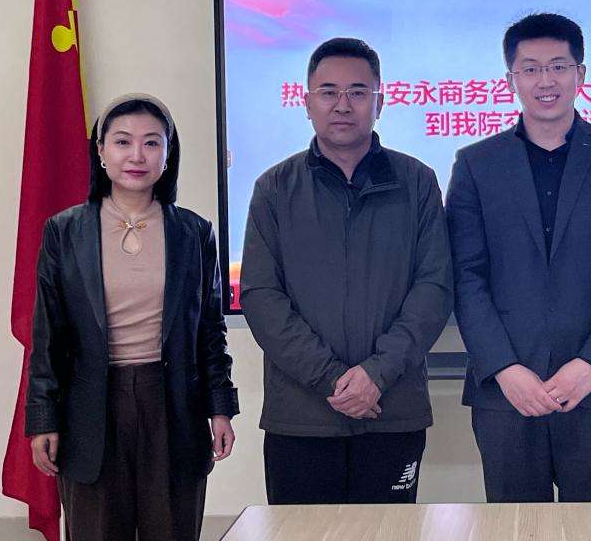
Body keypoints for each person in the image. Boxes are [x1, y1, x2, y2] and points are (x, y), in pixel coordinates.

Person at [446, 13, 591, 502]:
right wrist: (504, 367)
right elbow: (465, 276)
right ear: (511, 79)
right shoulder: (476, 164)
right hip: (506, 390)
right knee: (514, 528)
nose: (546, 80)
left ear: (580, 74)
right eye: (531, 68)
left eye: (559, 66)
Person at [241, 37, 453, 504]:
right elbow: (261, 296)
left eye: (358, 92)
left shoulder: (417, 182)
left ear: (381, 101)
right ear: (307, 102)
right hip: (302, 414)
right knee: (300, 535)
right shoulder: (275, 188)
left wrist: (376, 374)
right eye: (328, 92)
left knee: (389, 533)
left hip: (391, 407)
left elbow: (434, 288)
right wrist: (331, 379)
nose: (343, 105)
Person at [25, 93, 238, 541]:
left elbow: (209, 331)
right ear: (101, 151)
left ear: (168, 154)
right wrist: (43, 417)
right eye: (123, 142)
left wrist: (220, 408)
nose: (137, 156)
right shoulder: (65, 232)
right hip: (90, 408)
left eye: (152, 143)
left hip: (173, 403)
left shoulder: (194, 233)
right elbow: (47, 335)